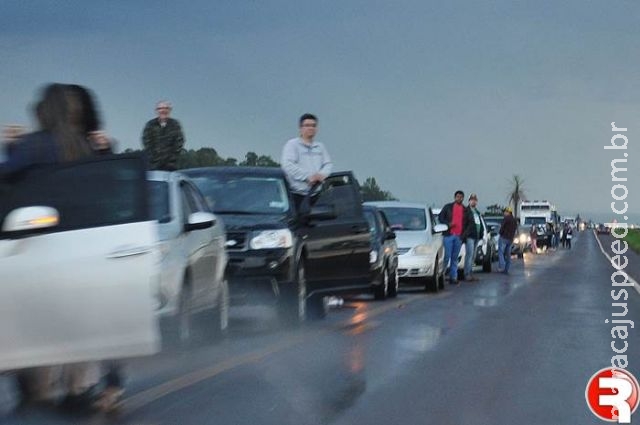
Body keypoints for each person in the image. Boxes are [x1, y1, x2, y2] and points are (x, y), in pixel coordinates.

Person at [1, 83, 123, 411]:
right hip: (85, 250)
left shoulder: (33, 146)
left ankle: (36, 389)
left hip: (38, 250)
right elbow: (112, 187)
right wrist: (108, 151)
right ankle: (93, 386)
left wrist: (10, 147)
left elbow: (8, 179)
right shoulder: (88, 147)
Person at [281, 113, 332, 211]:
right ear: (300, 128)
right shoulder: (292, 145)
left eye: (313, 125)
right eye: (307, 125)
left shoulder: (320, 147)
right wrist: (307, 177)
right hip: (297, 196)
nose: (311, 128)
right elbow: (288, 165)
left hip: (316, 195)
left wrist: (321, 175)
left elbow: (328, 164)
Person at [141, 100, 185, 171]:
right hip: (154, 165)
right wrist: (154, 158)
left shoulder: (175, 124)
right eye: (160, 108)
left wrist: (171, 159)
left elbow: (179, 142)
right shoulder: (150, 125)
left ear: (169, 110)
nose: (163, 111)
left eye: (166, 108)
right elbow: (146, 143)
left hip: (171, 166)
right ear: (156, 111)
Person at [438, 190, 466, 284]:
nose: (459, 198)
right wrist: (448, 224)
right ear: (455, 197)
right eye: (458, 196)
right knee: (446, 256)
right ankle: (441, 275)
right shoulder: (448, 207)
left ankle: (453, 277)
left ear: (463, 198)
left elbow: (468, 223)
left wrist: (464, 235)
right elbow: (440, 218)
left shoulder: (465, 210)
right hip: (448, 235)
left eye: (461, 197)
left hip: (459, 236)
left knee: (455, 258)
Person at [462, 193, 483, 282]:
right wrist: (465, 234)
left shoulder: (477, 212)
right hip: (470, 236)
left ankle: (470, 273)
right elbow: (464, 224)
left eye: (475, 200)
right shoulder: (466, 211)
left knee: (473, 256)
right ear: (469, 201)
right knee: (469, 255)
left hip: (476, 236)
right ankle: (467, 274)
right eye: (472, 200)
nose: (473, 201)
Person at [497, 207, 518, 274]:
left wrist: (500, 233)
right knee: (508, 254)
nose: (504, 213)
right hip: (510, 239)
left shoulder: (506, 218)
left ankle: (502, 266)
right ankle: (506, 269)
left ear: (508, 212)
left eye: (505, 212)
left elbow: (502, 227)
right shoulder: (514, 220)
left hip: (504, 238)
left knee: (501, 252)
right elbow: (515, 229)